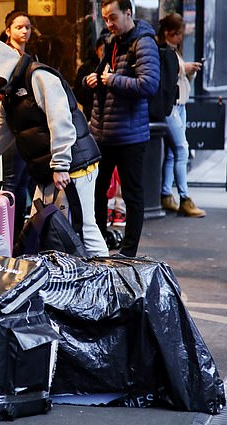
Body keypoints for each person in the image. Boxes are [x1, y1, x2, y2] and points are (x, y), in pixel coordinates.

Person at [0, 36, 109, 257]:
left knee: (84, 228)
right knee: (39, 227)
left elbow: (60, 120)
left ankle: (107, 282)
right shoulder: (11, 92)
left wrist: (61, 165)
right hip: (51, 172)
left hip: (73, 167)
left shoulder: (38, 76)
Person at [87, 0, 160, 257]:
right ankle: (97, 244)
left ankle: (128, 251)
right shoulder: (110, 42)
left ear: (128, 13)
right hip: (102, 132)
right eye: (105, 18)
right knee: (97, 191)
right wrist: (94, 79)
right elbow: (103, 75)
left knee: (132, 194)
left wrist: (113, 80)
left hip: (130, 134)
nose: (109, 24)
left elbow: (148, 85)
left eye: (113, 18)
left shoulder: (144, 42)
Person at [157, 13, 206, 217]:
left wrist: (187, 70)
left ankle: (167, 193)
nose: (181, 39)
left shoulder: (171, 51)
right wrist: (183, 69)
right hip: (173, 106)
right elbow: (168, 75)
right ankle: (184, 197)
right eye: (179, 35)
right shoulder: (164, 51)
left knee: (172, 152)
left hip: (178, 105)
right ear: (170, 33)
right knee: (181, 149)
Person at [0, 10, 37, 243]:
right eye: (20, 27)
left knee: (23, 183)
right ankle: (8, 238)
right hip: (12, 127)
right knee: (12, 182)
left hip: (27, 128)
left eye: (28, 27)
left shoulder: (29, 57)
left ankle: (16, 237)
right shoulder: (4, 56)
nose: (25, 31)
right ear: (8, 30)